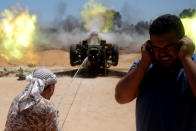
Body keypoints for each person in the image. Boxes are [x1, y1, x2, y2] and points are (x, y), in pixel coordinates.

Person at [115, 14, 196, 131]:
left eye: (168, 47)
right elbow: (121, 97)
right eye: (157, 48)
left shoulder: (192, 64)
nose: (162, 53)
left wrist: (186, 58)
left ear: (182, 42)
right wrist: (144, 62)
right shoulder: (144, 66)